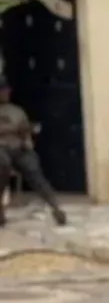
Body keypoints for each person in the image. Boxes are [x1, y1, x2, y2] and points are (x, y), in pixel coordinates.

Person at [0, 77, 67, 227]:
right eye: (3, 91)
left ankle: (55, 207)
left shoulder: (16, 111)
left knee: (33, 168)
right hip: (1, 149)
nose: (6, 94)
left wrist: (26, 140)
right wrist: (10, 131)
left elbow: (25, 133)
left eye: (6, 91)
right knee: (2, 165)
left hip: (18, 148)